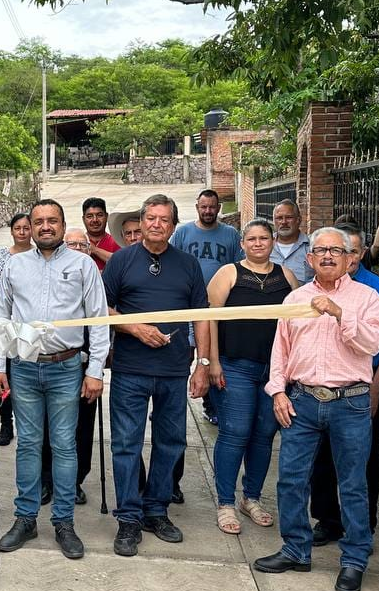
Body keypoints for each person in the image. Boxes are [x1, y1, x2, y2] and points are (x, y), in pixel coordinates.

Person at [255, 227, 379, 591]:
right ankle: (296, 549)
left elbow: (372, 343)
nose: (327, 256)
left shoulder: (368, 297)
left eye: (335, 250)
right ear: (309, 259)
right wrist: (278, 392)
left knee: (352, 484)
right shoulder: (295, 298)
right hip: (301, 401)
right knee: (291, 480)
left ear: (350, 258)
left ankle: (355, 558)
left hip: (351, 402)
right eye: (320, 251)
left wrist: (338, 313)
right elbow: (280, 350)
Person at [0, 199, 110, 560]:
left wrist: (94, 371)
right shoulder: (14, 265)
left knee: (64, 445)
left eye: (52, 221)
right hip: (24, 368)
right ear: (31, 224)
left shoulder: (83, 265)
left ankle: (64, 522)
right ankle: (26, 518)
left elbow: (98, 320)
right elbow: (1, 317)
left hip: (67, 368)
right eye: (39, 221)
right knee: (27, 444)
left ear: (62, 224)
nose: (45, 226)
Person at [103, 194, 210, 557]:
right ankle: (129, 517)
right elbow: (103, 308)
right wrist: (135, 328)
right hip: (130, 369)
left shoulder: (189, 264)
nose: (156, 224)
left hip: (174, 370)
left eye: (164, 219)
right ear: (142, 220)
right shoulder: (120, 260)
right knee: (126, 444)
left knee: (171, 443)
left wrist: (204, 365)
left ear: (173, 225)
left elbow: (203, 315)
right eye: (151, 218)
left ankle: (156, 509)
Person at [308, 223, 379, 547]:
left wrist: (375, 391)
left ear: (359, 253)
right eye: (337, 250)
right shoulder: (317, 289)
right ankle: (327, 519)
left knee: (365, 460)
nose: (346, 256)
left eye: (352, 250)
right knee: (323, 457)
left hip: (365, 387)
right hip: (324, 387)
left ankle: (364, 526)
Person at [205, 219, 299, 535]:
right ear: (242, 243)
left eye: (264, 238)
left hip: (274, 372)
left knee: (263, 435)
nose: (258, 243)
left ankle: (252, 498)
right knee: (235, 432)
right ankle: (225, 503)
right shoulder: (228, 274)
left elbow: (296, 325)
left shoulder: (287, 277)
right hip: (235, 367)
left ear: (273, 242)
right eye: (251, 239)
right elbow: (210, 320)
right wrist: (211, 362)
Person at [172, 189, 243, 427]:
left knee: (213, 357)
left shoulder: (230, 235)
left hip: (217, 307)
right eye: (204, 206)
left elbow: (238, 265)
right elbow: (171, 261)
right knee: (182, 357)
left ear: (219, 208)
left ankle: (211, 406)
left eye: (212, 207)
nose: (208, 211)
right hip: (186, 305)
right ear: (197, 207)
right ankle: (171, 405)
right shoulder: (182, 233)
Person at [63, 227, 100, 505]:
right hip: (53, 363)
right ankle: (48, 480)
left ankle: (75, 480)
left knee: (82, 427)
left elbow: (101, 326)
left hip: (85, 364)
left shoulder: (95, 279)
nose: (76, 248)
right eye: (70, 244)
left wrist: (95, 369)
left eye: (81, 244)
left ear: (89, 250)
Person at [0, 213, 33, 446]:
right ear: (12, 231)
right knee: (4, 374)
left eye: (27, 227)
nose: (23, 232)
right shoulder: (1, 257)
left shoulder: (41, 255)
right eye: (18, 228)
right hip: (8, 324)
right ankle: (6, 423)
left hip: (32, 327)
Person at [270, 200, 312, 283]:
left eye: (289, 217)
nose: (284, 222)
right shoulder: (264, 246)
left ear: (298, 220)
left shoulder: (312, 247)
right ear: (274, 221)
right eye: (279, 218)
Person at [81, 197, 121, 269]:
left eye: (99, 215)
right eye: (89, 216)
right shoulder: (77, 243)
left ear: (106, 216)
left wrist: (94, 250)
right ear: (83, 219)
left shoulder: (118, 241)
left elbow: (122, 262)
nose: (95, 220)